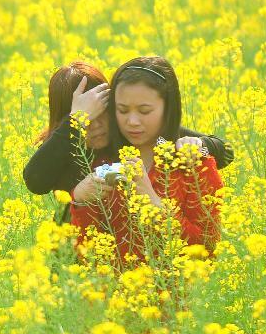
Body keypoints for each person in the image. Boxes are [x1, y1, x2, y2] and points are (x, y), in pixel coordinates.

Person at [23, 60, 233, 223]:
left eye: (101, 113)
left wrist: (200, 146)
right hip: (75, 265)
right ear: (65, 122)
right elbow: (35, 180)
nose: (93, 126)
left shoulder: (135, 135)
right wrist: (76, 121)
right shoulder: (63, 148)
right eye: (84, 119)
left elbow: (225, 152)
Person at [69, 56, 224, 268]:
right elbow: (87, 255)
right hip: (115, 298)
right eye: (122, 110)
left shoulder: (194, 164)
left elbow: (207, 248)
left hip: (178, 298)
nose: (132, 121)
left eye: (144, 111)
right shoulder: (103, 164)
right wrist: (80, 201)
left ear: (168, 108)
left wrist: (155, 205)